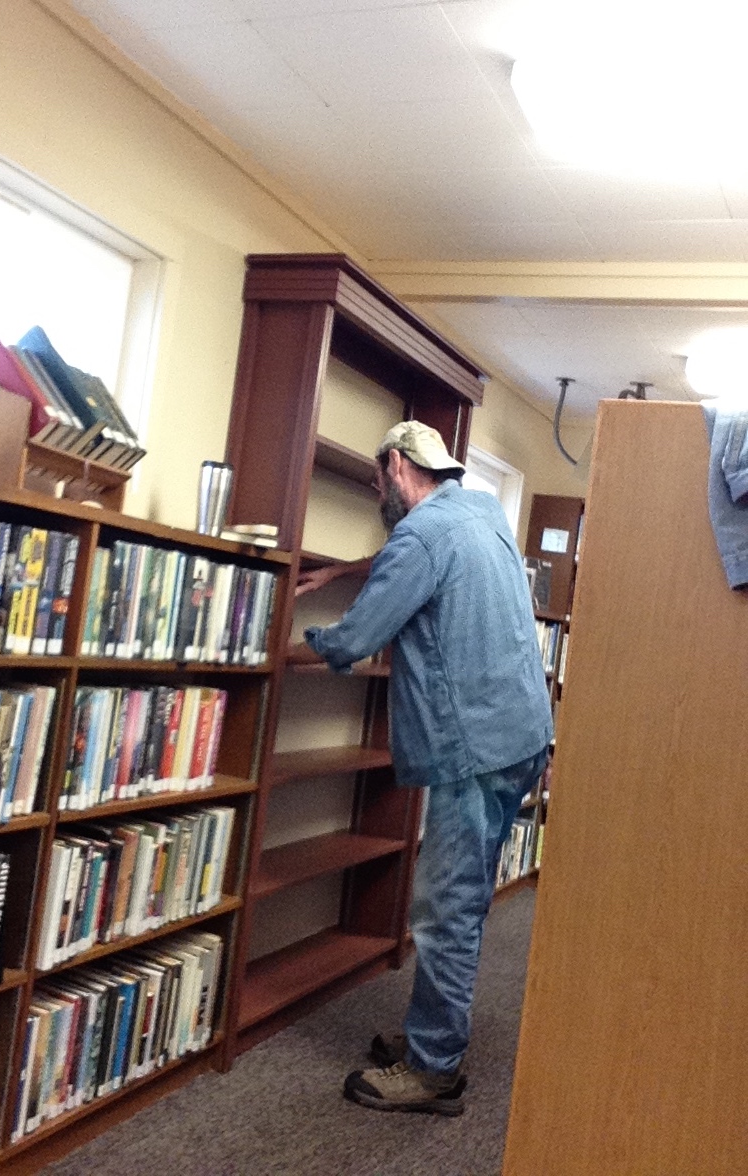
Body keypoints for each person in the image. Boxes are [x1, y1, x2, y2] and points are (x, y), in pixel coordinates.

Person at [289, 420, 553, 1116]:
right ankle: (427, 1037)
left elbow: (357, 638)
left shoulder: (419, 535)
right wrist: (345, 571)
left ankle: (433, 1069)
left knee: (445, 911)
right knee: (461, 901)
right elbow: (410, 558)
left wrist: (282, 647)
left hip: (472, 749)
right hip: (522, 737)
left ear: (398, 466)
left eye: (379, 482)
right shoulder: (479, 510)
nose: (379, 491)